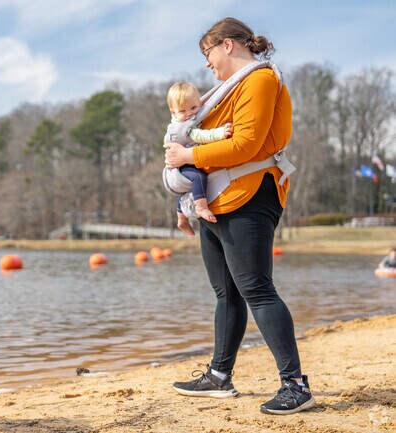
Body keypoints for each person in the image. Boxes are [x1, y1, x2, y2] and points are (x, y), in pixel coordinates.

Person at [164, 17, 315, 415]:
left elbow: (246, 144)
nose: (207, 64)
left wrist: (187, 157)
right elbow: (202, 142)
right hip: (217, 202)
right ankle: (219, 375)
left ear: (227, 45)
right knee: (226, 293)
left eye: (208, 53)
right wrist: (182, 192)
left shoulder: (260, 81)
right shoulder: (221, 92)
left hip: (251, 194)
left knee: (256, 288)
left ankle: (296, 384)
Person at [165, 82, 233, 223]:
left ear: (200, 104)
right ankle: (201, 207)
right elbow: (202, 136)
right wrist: (221, 132)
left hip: (178, 167)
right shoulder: (185, 127)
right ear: (173, 112)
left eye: (193, 108)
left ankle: (181, 217)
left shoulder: (175, 124)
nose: (189, 114)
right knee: (198, 177)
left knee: (189, 188)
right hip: (180, 168)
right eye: (183, 111)